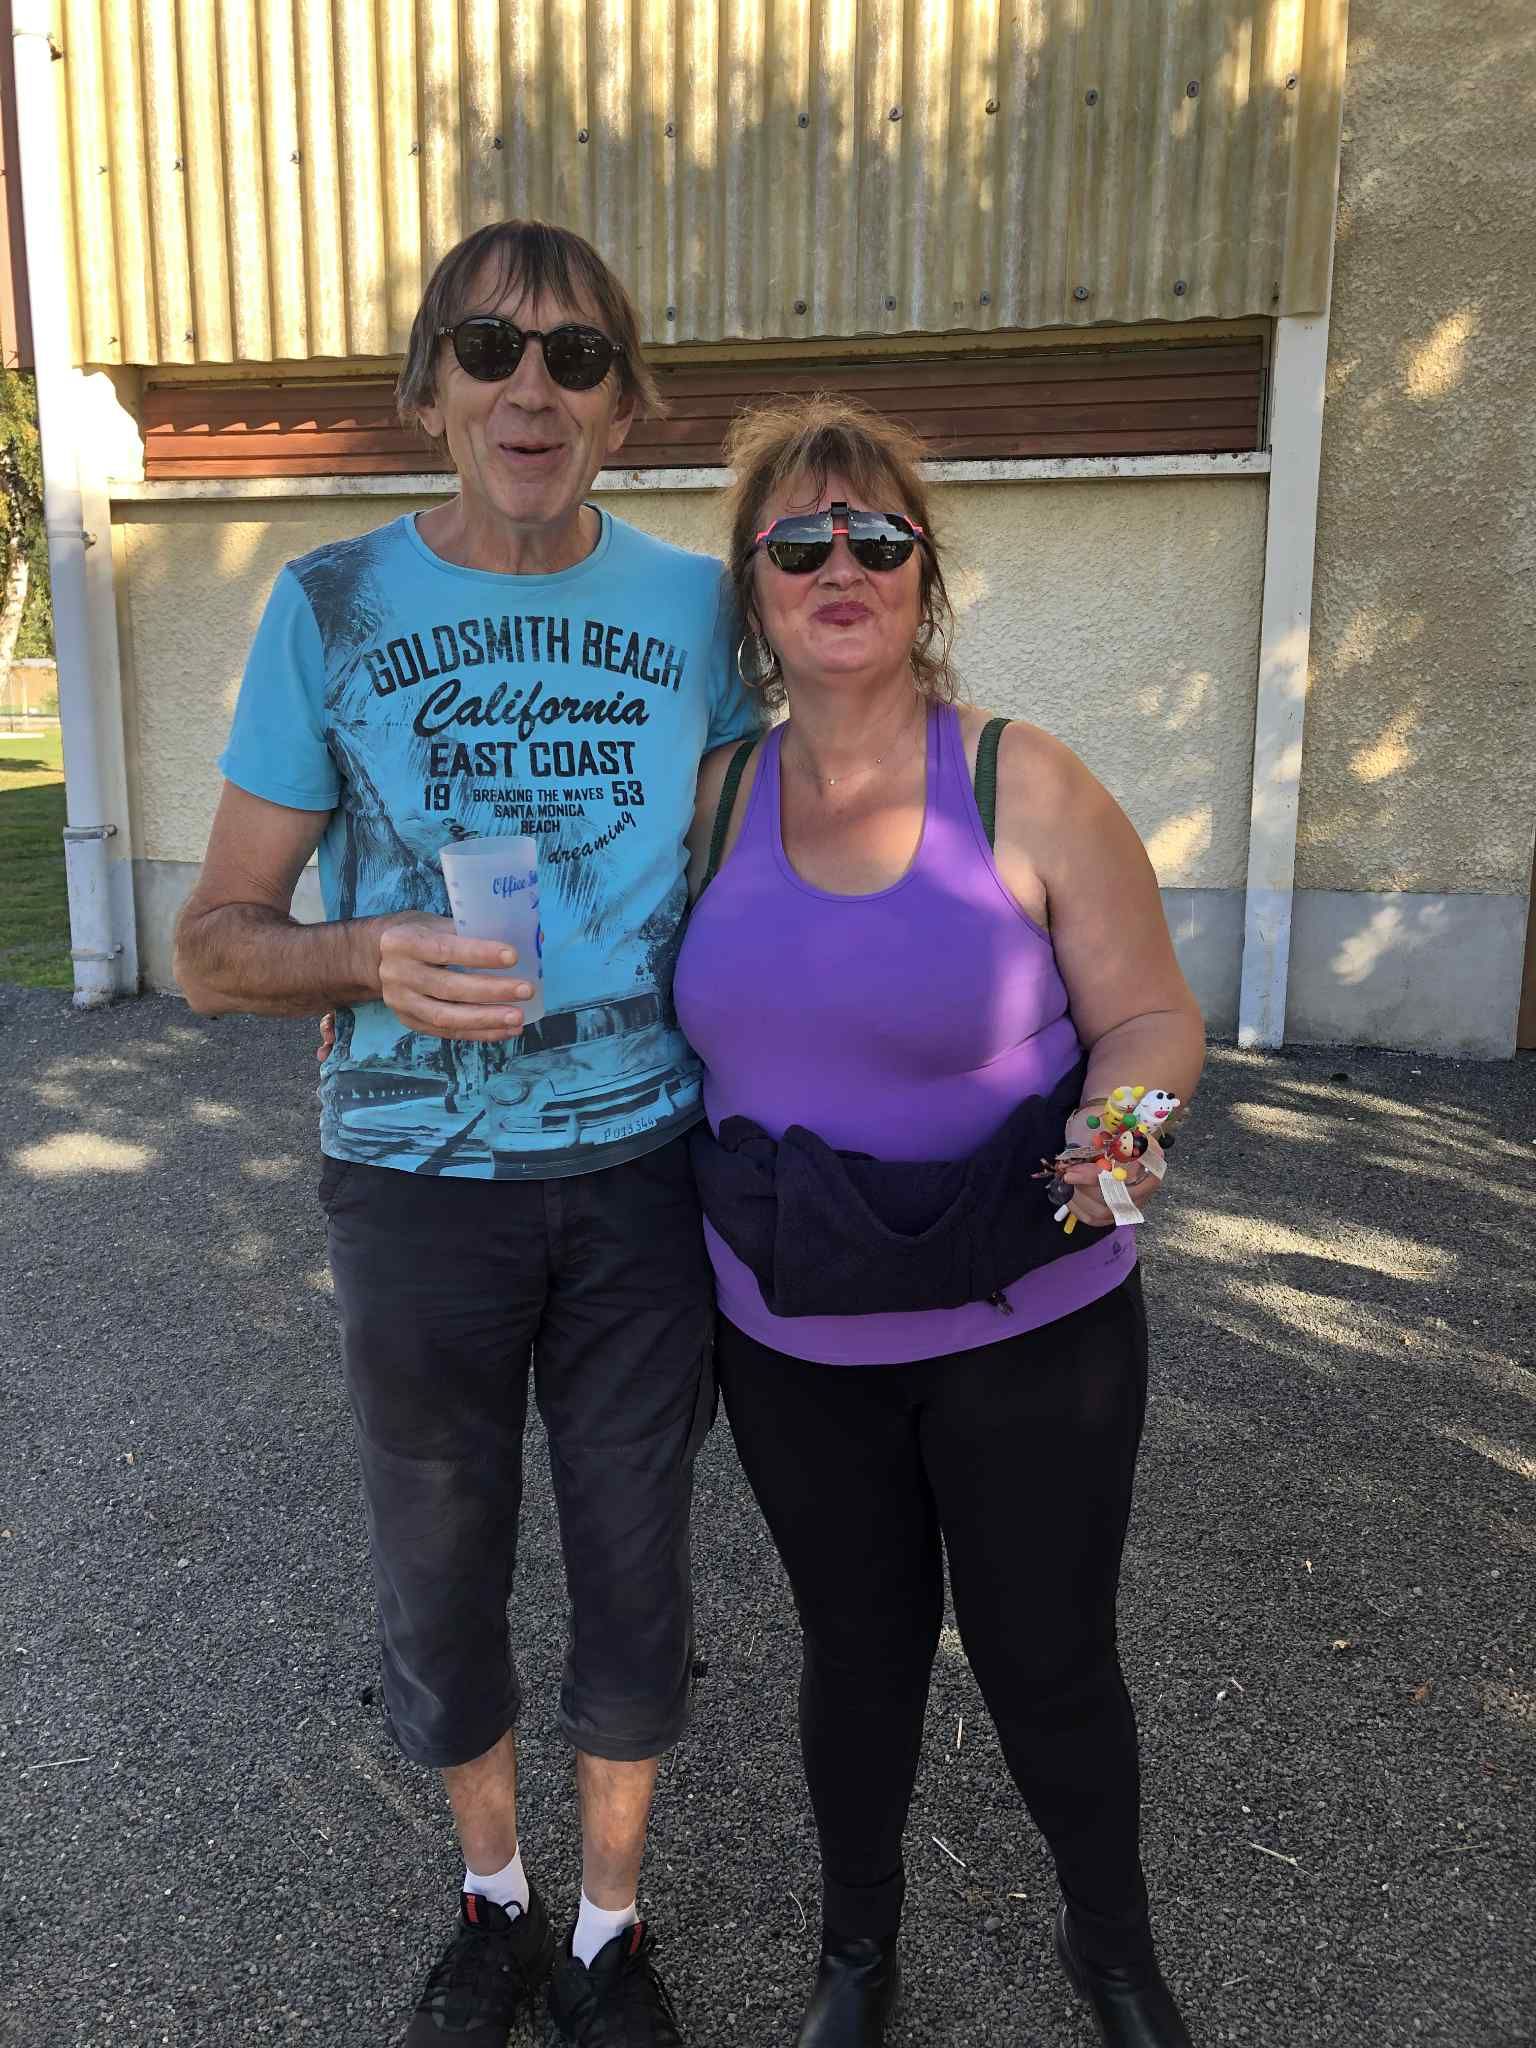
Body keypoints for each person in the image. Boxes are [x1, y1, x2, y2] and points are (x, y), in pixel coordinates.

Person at [174, 220, 757, 2048]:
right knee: (440, 1570)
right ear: (427, 388)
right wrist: (364, 956)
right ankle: (492, 1904)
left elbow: (772, 885)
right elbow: (212, 943)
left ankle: (608, 1932)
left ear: (624, 406)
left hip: (642, 1174)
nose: (531, 387)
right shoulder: (329, 605)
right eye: (490, 348)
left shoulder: (699, 613)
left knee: (635, 1568)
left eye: (577, 358)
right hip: (414, 1184)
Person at [673, 396, 1206, 2048]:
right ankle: (856, 1956)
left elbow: (1151, 1018)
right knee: (858, 1654)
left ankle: (1114, 1955)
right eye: (799, 541)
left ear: (924, 575)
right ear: (754, 588)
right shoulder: (706, 800)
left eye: (878, 536)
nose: (841, 564)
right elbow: (591, 989)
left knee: (1048, 1662)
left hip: (1029, 1327)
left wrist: (1121, 1146)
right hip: (792, 1339)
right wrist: (376, 1011)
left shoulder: (1021, 779)